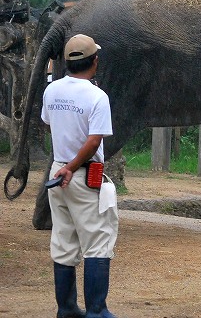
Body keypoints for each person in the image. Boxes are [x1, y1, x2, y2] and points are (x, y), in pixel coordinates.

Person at [43, 34, 118, 318]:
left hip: (57, 172)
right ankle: (97, 311)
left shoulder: (52, 90)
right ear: (94, 61)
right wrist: (73, 166)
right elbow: (94, 140)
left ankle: (67, 309)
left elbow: (49, 124)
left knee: (63, 241)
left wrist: (64, 163)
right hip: (82, 174)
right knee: (98, 241)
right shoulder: (97, 96)